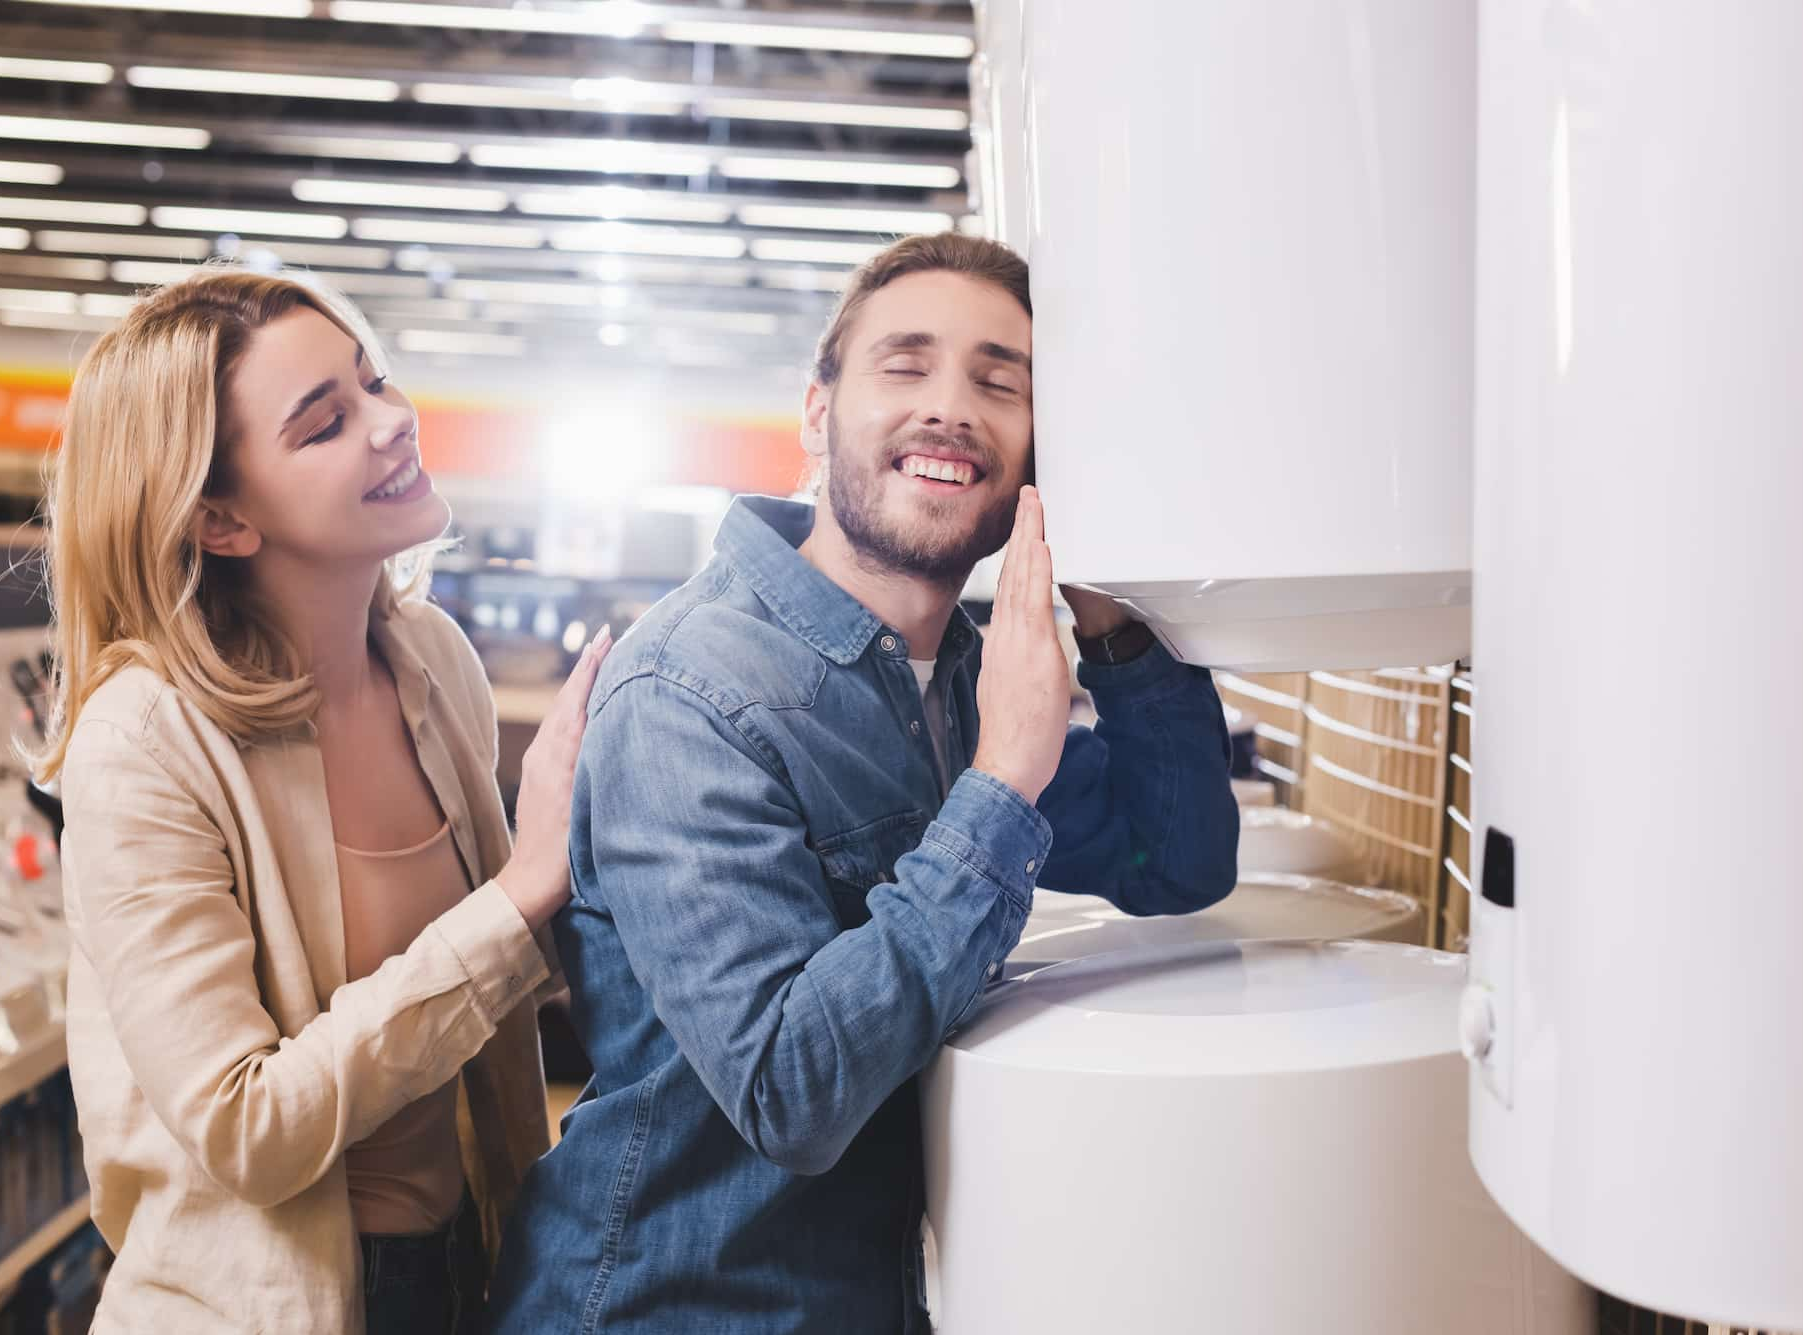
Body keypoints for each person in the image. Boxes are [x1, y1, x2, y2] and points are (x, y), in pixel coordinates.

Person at [487, 233, 1240, 1333]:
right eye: (904, 364)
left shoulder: (969, 679)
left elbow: (1176, 860)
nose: (950, 407)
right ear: (815, 413)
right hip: (667, 1308)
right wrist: (998, 782)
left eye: (999, 381)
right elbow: (789, 1093)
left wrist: (1113, 623)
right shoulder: (689, 690)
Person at [32, 267, 608, 1334]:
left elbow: (505, 993)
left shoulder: (431, 660)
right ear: (218, 519)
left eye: (376, 381)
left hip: (471, 1269)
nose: (394, 424)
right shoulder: (146, 740)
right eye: (324, 423)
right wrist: (522, 893)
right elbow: (248, 1129)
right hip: (263, 1308)